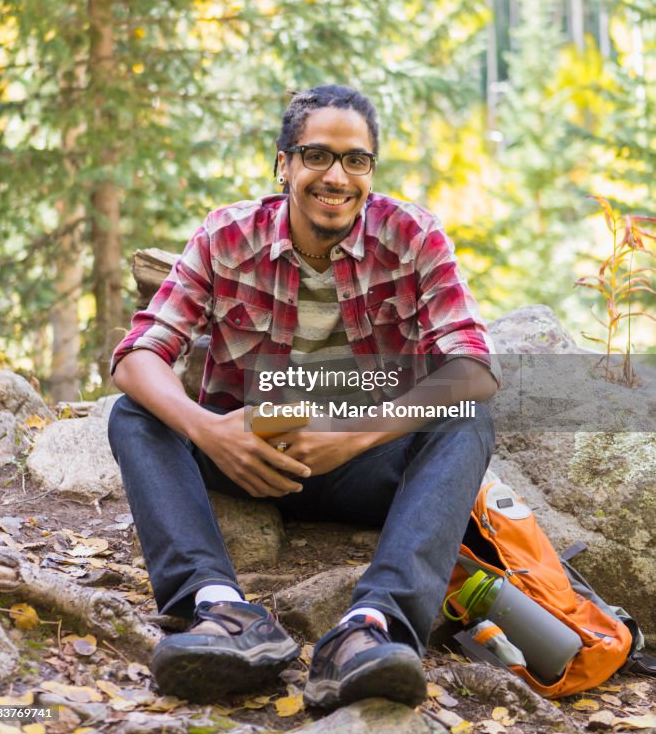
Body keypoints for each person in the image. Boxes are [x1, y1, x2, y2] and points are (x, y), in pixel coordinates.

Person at [108, 84, 499, 711]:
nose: (336, 176)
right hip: (247, 452)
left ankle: (372, 628)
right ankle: (221, 611)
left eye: (355, 160)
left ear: (370, 170)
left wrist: (351, 436)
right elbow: (138, 355)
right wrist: (210, 433)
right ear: (284, 163)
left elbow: (472, 367)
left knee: (467, 414)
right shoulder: (226, 235)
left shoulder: (414, 236)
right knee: (135, 414)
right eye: (316, 155)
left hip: (361, 465)